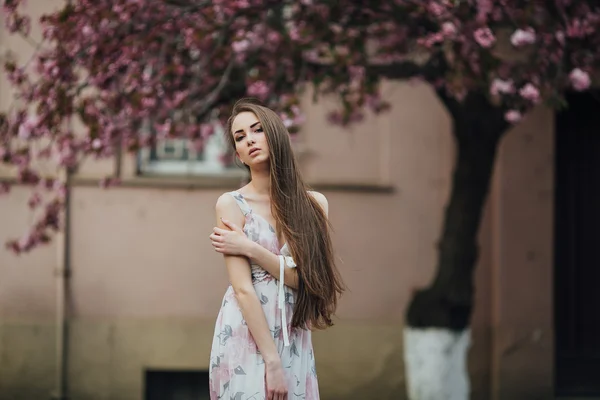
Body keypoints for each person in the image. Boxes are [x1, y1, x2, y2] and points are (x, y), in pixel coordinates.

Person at [208, 99, 344, 400]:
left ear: (276, 135)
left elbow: (309, 280)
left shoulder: (313, 205)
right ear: (238, 154)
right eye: (240, 137)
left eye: (257, 130)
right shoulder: (231, 205)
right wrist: (272, 361)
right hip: (245, 331)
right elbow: (243, 289)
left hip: (293, 332)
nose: (249, 140)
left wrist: (250, 249)